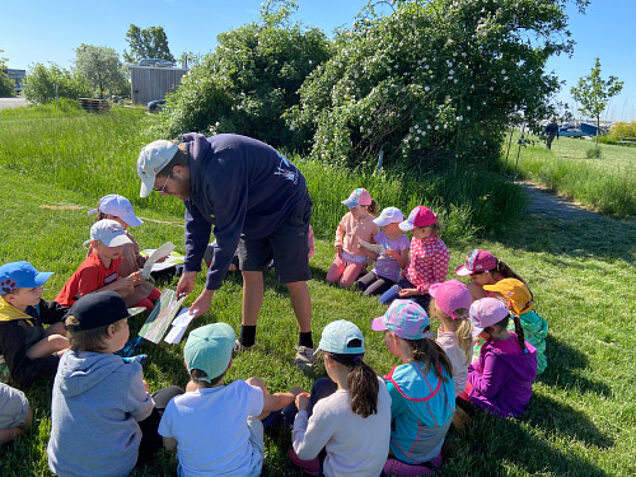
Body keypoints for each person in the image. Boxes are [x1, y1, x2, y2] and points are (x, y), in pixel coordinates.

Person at [136, 134, 314, 369]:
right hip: (252, 206)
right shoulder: (190, 177)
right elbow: (196, 224)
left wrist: (209, 291)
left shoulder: (220, 171)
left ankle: (306, 344)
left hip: (286, 203)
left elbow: (227, 237)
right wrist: (189, 270)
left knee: (293, 278)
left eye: (162, 187)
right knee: (249, 270)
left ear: (177, 170)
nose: (164, 194)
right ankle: (247, 339)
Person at [47, 292, 181, 477]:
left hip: (62, 464)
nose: (128, 327)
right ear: (111, 331)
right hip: (109, 468)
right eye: (126, 323)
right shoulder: (124, 375)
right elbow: (144, 415)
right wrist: (144, 394)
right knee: (172, 394)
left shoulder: (65, 361)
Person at [158, 323, 299, 477]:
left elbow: (170, 445)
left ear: (186, 365)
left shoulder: (175, 406)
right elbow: (276, 402)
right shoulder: (240, 392)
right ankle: (274, 419)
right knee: (254, 387)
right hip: (246, 472)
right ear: (229, 364)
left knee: (191, 389)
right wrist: (292, 394)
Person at [288, 320, 391, 477]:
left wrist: (301, 412)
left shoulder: (329, 408)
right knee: (322, 385)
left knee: (292, 414)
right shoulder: (380, 385)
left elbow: (304, 452)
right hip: (374, 472)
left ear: (329, 361)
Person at [371, 299, 454, 476]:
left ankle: (405, 467)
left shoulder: (401, 384)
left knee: (370, 450)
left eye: (386, 332)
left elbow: (381, 416)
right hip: (434, 444)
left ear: (394, 337)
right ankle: (430, 457)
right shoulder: (440, 361)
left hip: (408, 451)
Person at [460, 298, 537, 418]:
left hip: (504, 406)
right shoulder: (514, 337)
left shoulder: (496, 355)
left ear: (491, 329)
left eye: (479, 331)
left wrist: (468, 370)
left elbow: (487, 390)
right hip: (519, 398)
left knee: (457, 382)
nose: (478, 335)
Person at [0, 261, 69, 386]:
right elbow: (20, 374)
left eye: (38, 285)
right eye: (33, 289)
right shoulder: (8, 326)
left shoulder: (29, 303)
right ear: (11, 298)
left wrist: (77, 318)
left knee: (63, 326)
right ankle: (85, 355)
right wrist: (59, 358)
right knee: (56, 340)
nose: (40, 291)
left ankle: (87, 347)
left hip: (27, 346)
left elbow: (55, 311)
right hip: (9, 367)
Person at [87, 194, 161, 309]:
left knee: (160, 297)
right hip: (121, 290)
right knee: (148, 306)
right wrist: (126, 281)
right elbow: (101, 279)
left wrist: (152, 259)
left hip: (138, 284)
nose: (127, 224)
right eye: (125, 221)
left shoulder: (128, 237)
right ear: (110, 218)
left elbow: (137, 259)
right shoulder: (100, 247)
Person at [55, 220, 140, 308]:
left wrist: (128, 280)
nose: (118, 248)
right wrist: (116, 285)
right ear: (95, 244)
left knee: (128, 289)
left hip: (96, 297)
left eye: (121, 244)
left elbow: (108, 281)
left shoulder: (115, 258)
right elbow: (85, 299)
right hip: (69, 307)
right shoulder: (91, 267)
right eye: (112, 244)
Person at [379, 206, 449, 309]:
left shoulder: (440, 250)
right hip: (407, 282)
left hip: (424, 292)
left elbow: (438, 282)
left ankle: (425, 304)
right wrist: (404, 276)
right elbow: (411, 263)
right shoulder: (415, 239)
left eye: (412, 229)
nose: (410, 232)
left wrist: (415, 291)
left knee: (404, 309)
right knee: (383, 301)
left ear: (424, 230)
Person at [483, 278, 548, 375]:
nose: (490, 296)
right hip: (537, 363)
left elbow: (499, 343)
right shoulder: (533, 316)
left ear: (508, 303)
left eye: (495, 297)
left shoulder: (512, 325)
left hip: (522, 367)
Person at [428, 279, 474, 397]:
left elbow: (430, 379)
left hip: (443, 394)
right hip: (457, 388)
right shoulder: (467, 333)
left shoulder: (440, 348)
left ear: (436, 311)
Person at [326, 188, 379, 288]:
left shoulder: (373, 223)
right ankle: (349, 270)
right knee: (329, 279)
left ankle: (359, 271)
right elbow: (340, 229)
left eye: (354, 207)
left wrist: (369, 261)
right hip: (343, 255)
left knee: (343, 284)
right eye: (350, 206)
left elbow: (377, 245)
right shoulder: (348, 216)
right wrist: (338, 242)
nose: (350, 209)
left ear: (365, 207)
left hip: (358, 260)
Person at [355, 207, 410, 296]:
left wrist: (396, 256)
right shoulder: (381, 235)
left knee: (367, 294)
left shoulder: (403, 241)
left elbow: (404, 265)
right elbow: (377, 256)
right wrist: (364, 250)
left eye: (385, 225)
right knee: (358, 286)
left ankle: (389, 287)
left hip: (389, 278)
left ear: (396, 225)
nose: (382, 227)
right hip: (376, 271)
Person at [455, 249, 526, 302]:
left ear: (486, 274)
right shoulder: (493, 277)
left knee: (472, 286)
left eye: (474, 277)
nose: (473, 280)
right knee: (472, 286)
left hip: (506, 318)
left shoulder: (503, 289)